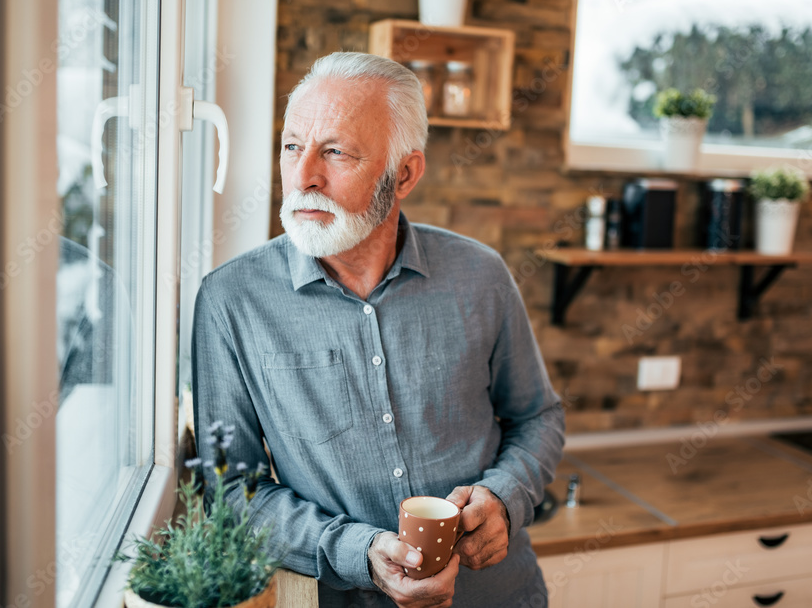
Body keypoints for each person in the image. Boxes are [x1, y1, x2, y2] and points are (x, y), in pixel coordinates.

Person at [191, 51, 564, 608]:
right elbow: (230, 493)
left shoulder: (481, 275)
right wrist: (357, 551)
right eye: (293, 147)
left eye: (335, 152)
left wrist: (505, 497)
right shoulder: (230, 300)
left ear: (405, 174)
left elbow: (537, 416)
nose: (304, 177)